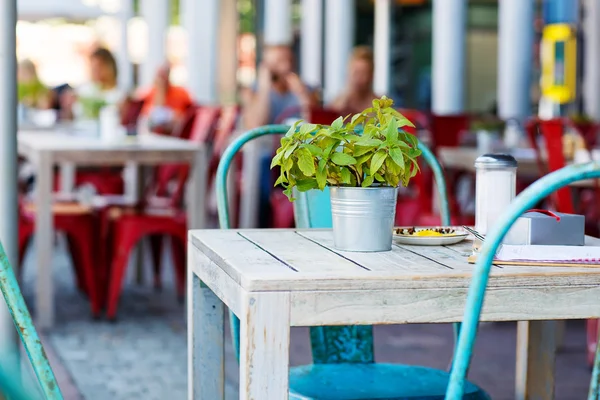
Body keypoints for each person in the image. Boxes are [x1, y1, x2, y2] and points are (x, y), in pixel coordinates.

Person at [242, 44, 318, 128]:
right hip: (267, 139)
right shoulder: (253, 91)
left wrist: (302, 93)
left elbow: (315, 123)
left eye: (290, 60)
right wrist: (264, 88)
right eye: (280, 61)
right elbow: (255, 126)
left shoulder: (306, 89)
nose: (287, 66)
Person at [63, 47, 124, 120]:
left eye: (99, 67)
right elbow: (71, 117)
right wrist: (68, 106)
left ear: (110, 67)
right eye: (93, 68)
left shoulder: (120, 95)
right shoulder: (85, 90)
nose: (96, 72)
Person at [137, 64, 194, 133]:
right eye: (160, 75)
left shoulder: (181, 92)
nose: (162, 79)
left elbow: (191, 112)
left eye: (164, 75)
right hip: (154, 130)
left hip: (176, 131)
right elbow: (152, 116)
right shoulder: (149, 92)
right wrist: (160, 92)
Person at [328, 46, 378, 115]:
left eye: (363, 73)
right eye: (356, 73)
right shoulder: (338, 104)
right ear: (348, 73)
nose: (359, 78)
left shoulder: (380, 106)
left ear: (371, 76)